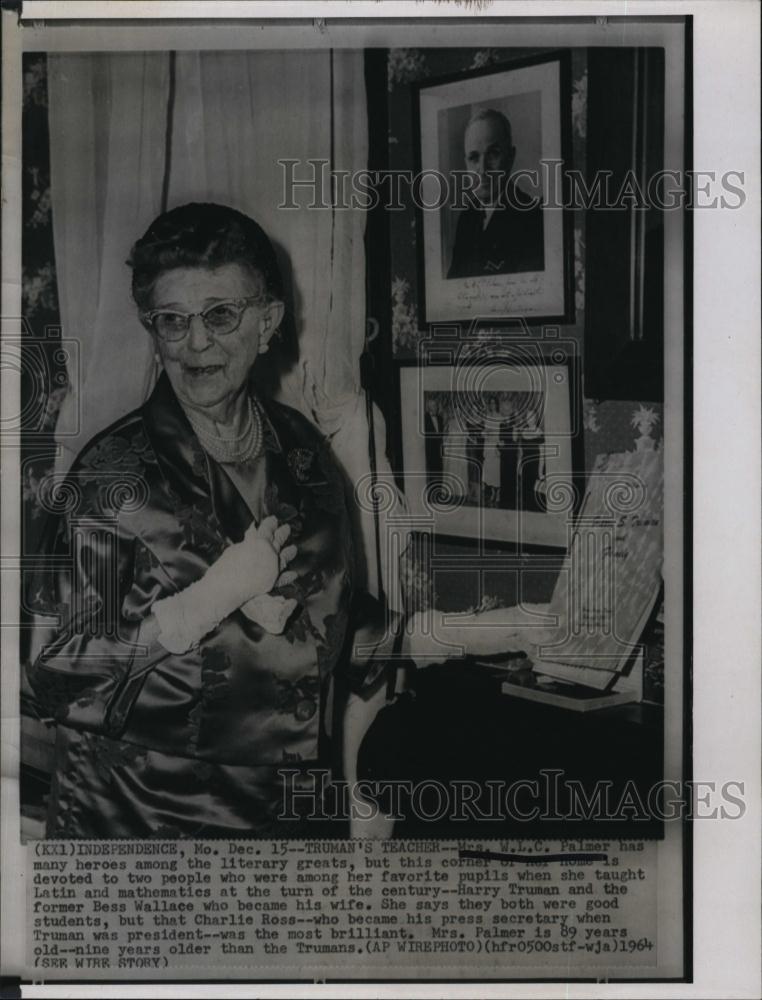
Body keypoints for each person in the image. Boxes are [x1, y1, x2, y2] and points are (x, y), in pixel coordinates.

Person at [26, 202, 545, 840]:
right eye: (173, 320)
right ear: (151, 329)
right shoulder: (110, 478)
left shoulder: (301, 450)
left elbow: (331, 627)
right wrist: (208, 599)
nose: (196, 343)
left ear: (268, 321)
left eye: (221, 314)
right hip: (145, 826)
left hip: (286, 819)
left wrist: (489, 631)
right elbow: (61, 678)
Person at [447, 108, 544, 280]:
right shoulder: (467, 218)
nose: (483, 169)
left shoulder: (533, 219)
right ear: (466, 163)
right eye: (474, 158)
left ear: (510, 157)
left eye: (493, 154)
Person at [481, 397, 502, 507]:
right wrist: (484, 434)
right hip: (488, 446)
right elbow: (485, 432)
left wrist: (498, 448)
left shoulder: (500, 417)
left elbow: (500, 433)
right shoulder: (488, 417)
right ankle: (493, 493)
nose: (492, 405)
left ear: (497, 405)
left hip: (495, 446)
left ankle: (498, 493)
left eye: (494, 403)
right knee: (489, 471)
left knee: (496, 471)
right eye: (491, 403)